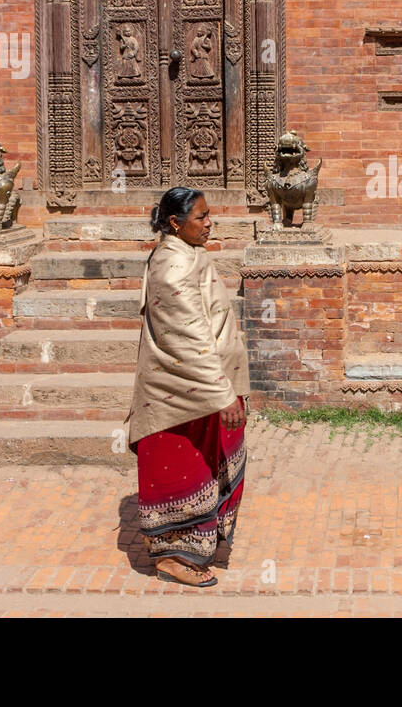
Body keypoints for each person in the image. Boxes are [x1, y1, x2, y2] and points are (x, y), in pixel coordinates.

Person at [126, 186, 250, 587]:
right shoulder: (173, 267)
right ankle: (171, 556)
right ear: (176, 223)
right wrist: (222, 394)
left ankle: (195, 542)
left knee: (206, 465)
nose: (209, 222)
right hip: (181, 395)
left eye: (209, 214)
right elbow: (188, 338)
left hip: (199, 389)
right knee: (181, 472)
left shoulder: (188, 253)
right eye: (201, 217)